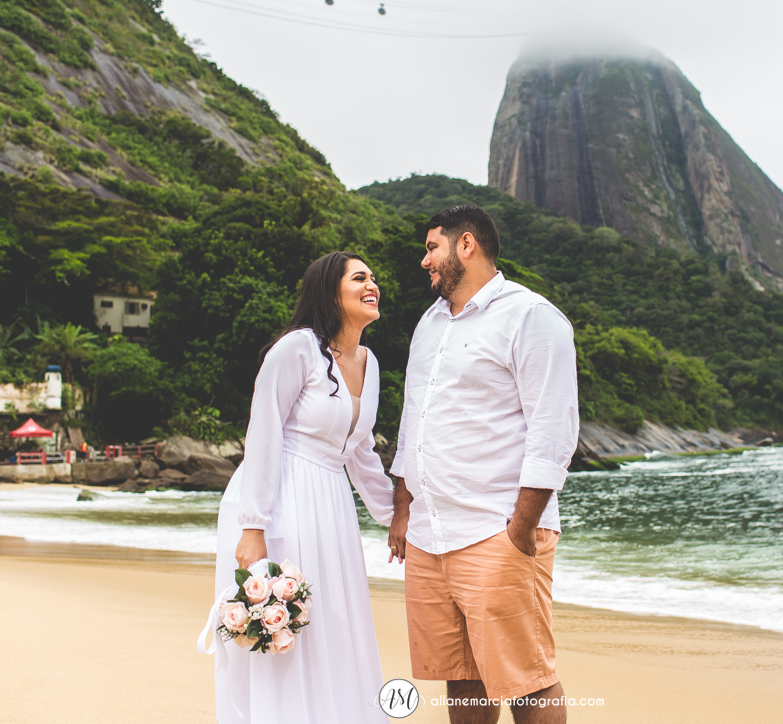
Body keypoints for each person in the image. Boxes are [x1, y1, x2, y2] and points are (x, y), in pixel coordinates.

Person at [387, 205, 579, 724]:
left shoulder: (531, 316)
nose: (424, 260)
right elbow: (414, 423)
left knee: (525, 679)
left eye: (432, 248)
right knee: (462, 674)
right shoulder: (429, 323)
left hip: (497, 530)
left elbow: (553, 428)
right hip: (431, 534)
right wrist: (403, 510)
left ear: (465, 245)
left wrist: (521, 526)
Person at [212, 251, 394, 723]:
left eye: (373, 278)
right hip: (282, 499)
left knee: (333, 623)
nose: (372, 284)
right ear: (331, 291)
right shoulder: (297, 347)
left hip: (332, 503)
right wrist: (253, 526)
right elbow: (265, 431)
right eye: (359, 278)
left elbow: (359, 450)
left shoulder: (369, 362)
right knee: (287, 629)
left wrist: (396, 520)